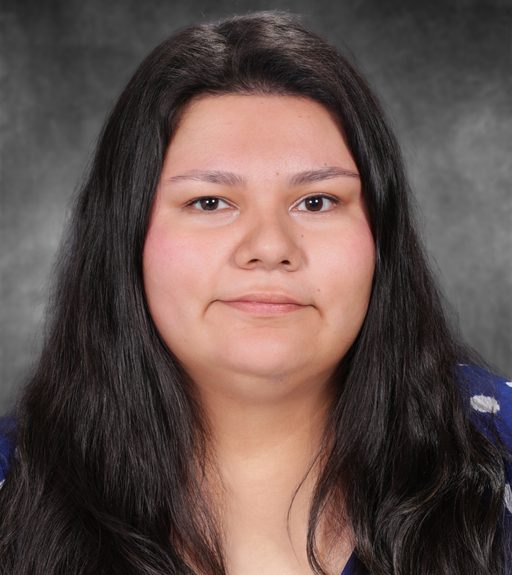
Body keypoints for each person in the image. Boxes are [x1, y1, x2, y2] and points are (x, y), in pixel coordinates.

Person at [0, 10, 510, 575]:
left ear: (380, 237)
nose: (270, 247)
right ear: (127, 236)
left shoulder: (501, 451)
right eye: (209, 202)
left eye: (316, 201)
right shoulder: (12, 489)